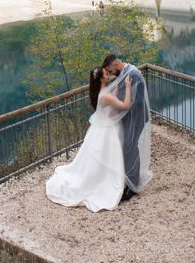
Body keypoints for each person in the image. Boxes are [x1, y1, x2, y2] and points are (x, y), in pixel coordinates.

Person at [45, 67, 133, 212]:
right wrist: (128, 87)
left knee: (100, 157)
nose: (108, 75)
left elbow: (107, 107)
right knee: (107, 156)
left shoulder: (101, 92)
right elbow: (125, 105)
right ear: (101, 79)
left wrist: (116, 91)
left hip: (100, 129)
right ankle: (101, 182)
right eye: (106, 74)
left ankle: (99, 177)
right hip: (107, 130)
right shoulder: (105, 94)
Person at [102, 54, 152, 201]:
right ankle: (127, 180)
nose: (111, 75)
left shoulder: (134, 74)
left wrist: (119, 112)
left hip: (136, 119)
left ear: (116, 64)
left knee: (129, 148)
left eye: (110, 71)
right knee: (127, 148)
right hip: (128, 119)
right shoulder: (124, 73)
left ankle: (132, 185)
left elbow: (136, 102)